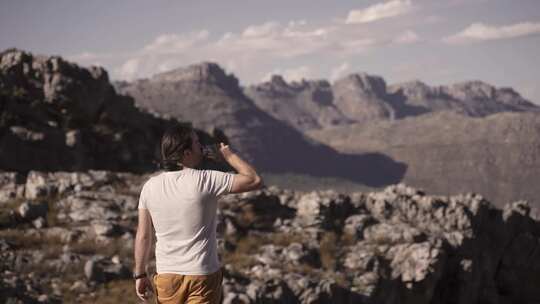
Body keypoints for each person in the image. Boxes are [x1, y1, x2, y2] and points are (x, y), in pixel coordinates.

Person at [134, 125, 263, 303]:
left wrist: (140, 274)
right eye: (196, 142)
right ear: (186, 152)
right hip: (201, 275)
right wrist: (228, 155)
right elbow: (254, 180)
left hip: (167, 276)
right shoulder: (206, 179)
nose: (201, 146)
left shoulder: (150, 187)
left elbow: (143, 236)